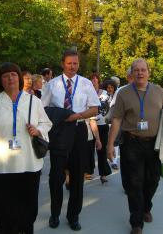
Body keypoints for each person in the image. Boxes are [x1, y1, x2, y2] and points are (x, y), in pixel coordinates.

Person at [0, 62, 52, 234]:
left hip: (29, 165)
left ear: (19, 78)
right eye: (5, 75)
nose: (10, 78)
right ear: (0, 80)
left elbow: (46, 122)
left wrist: (38, 130)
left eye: (13, 74)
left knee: (28, 210)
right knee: (3, 211)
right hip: (2, 167)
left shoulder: (33, 101)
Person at [107, 58, 163, 234]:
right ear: (131, 74)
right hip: (131, 143)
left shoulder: (158, 91)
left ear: (148, 72)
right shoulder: (123, 93)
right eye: (136, 70)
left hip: (154, 144)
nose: (140, 73)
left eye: (143, 70)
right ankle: (136, 223)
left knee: (153, 179)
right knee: (134, 183)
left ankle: (146, 207)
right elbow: (116, 120)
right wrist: (109, 145)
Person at [41, 49, 100, 231]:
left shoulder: (85, 84)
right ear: (62, 64)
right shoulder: (51, 85)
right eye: (69, 63)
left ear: (78, 64)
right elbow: (42, 108)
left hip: (78, 131)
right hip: (59, 132)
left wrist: (78, 116)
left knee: (77, 176)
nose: (72, 66)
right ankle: (54, 214)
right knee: (56, 177)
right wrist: (61, 115)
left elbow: (95, 109)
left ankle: (73, 216)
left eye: (75, 63)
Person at [89, 73, 111, 184]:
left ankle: (103, 174)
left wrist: (104, 117)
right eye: (92, 79)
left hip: (102, 125)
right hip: (89, 125)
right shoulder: (87, 93)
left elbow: (109, 108)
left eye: (95, 79)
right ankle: (89, 171)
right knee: (89, 150)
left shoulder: (105, 94)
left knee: (102, 150)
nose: (93, 81)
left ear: (98, 80)